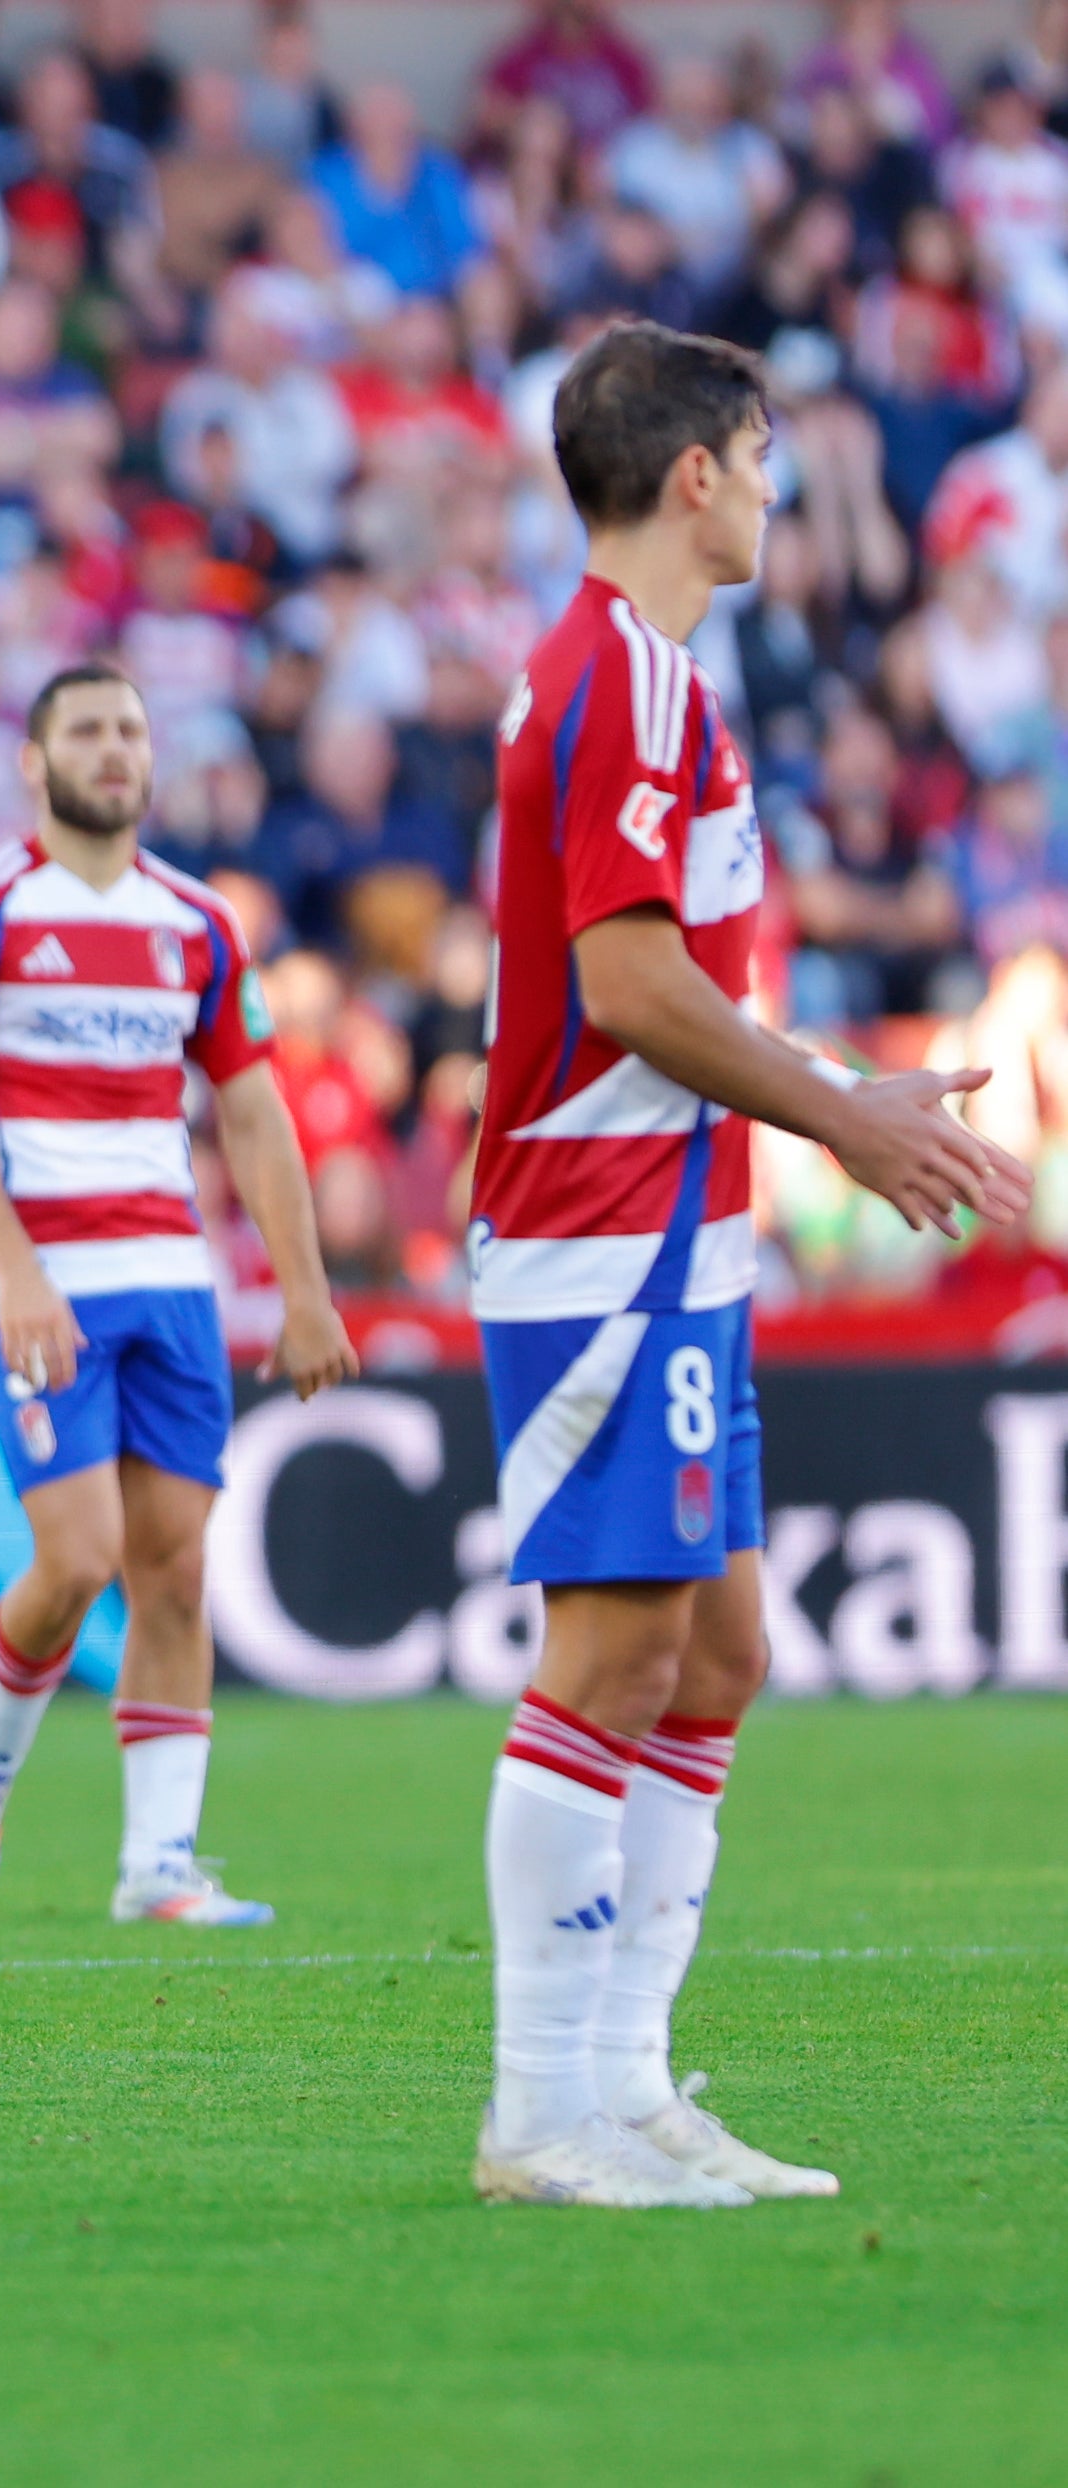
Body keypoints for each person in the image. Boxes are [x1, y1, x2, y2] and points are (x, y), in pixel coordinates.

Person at [467, 320, 1030, 2207]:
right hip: (594, 1227)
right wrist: (839, 1117)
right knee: (616, 1641)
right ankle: (541, 2105)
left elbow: (675, 979)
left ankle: (626, 2086)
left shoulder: (661, 683)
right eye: (767, 457)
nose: (779, 491)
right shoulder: (612, 679)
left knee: (719, 1643)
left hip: (675, 1226)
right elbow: (624, 985)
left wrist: (827, 1089)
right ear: (694, 472)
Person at [0, 662, 358, 1928]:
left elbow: (255, 1114)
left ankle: (159, 1864)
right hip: (44, 1275)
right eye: (88, 731)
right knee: (79, 1554)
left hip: (171, 1280)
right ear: (35, 764)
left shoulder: (200, 923)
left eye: (131, 731)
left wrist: (306, 1294)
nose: (115, 750)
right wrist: (16, 1267)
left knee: (173, 1571)